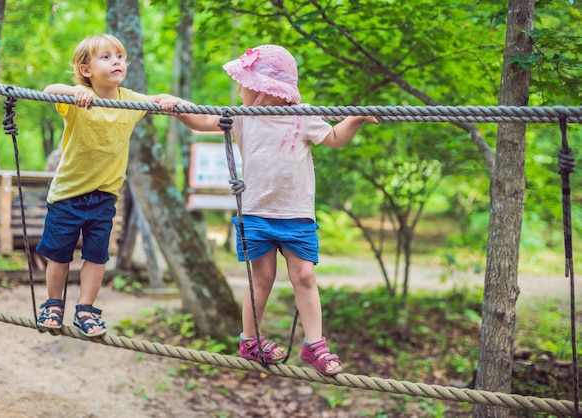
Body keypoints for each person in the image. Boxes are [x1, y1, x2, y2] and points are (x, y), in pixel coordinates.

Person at [163, 44, 380, 375]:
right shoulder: (242, 117)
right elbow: (201, 119)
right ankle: (250, 340)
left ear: (263, 88)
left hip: (296, 215)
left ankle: (315, 345)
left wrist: (356, 117)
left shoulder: (303, 116)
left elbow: (334, 137)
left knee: (304, 275)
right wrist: (175, 107)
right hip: (255, 213)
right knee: (261, 277)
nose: (239, 88)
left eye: (244, 82)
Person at [36, 33, 179, 338]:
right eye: (106, 56)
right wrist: (75, 92)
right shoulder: (75, 99)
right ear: (86, 69)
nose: (116, 61)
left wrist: (165, 99)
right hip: (67, 195)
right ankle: (53, 305)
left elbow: (152, 100)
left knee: (97, 256)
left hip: (104, 197)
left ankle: (86, 309)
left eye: (120, 56)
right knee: (60, 254)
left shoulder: (129, 100)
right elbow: (49, 89)